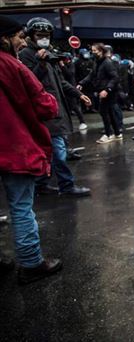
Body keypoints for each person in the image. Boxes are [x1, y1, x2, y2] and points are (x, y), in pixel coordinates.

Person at [0, 15, 63, 283]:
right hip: (14, 146)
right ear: (5, 38)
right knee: (21, 206)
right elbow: (46, 106)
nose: (21, 40)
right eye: (17, 36)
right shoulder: (11, 65)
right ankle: (31, 263)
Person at [18, 17, 92, 197]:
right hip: (45, 112)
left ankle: (41, 184)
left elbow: (61, 82)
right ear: (31, 36)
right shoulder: (27, 54)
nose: (44, 38)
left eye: (46, 35)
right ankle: (66, 186)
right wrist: (41, 63)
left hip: (57, 110)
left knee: (51, 151)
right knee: (59, 152)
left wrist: (79, 94)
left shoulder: (49, 53)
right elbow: (29, 82)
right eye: (39, 35)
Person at [78, 43, 121, 144]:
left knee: (103, 111)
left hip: (108, 92)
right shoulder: (97, 62)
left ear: (101, 51)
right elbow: (92, 75)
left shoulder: (107, 63)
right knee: (109, 112)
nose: (93, 53)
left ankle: (108, 134)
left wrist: (107, 89)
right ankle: (117, 133)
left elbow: (115, 77)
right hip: (103, 91)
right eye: (92, 51)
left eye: (95, 51)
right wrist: (81, 83)